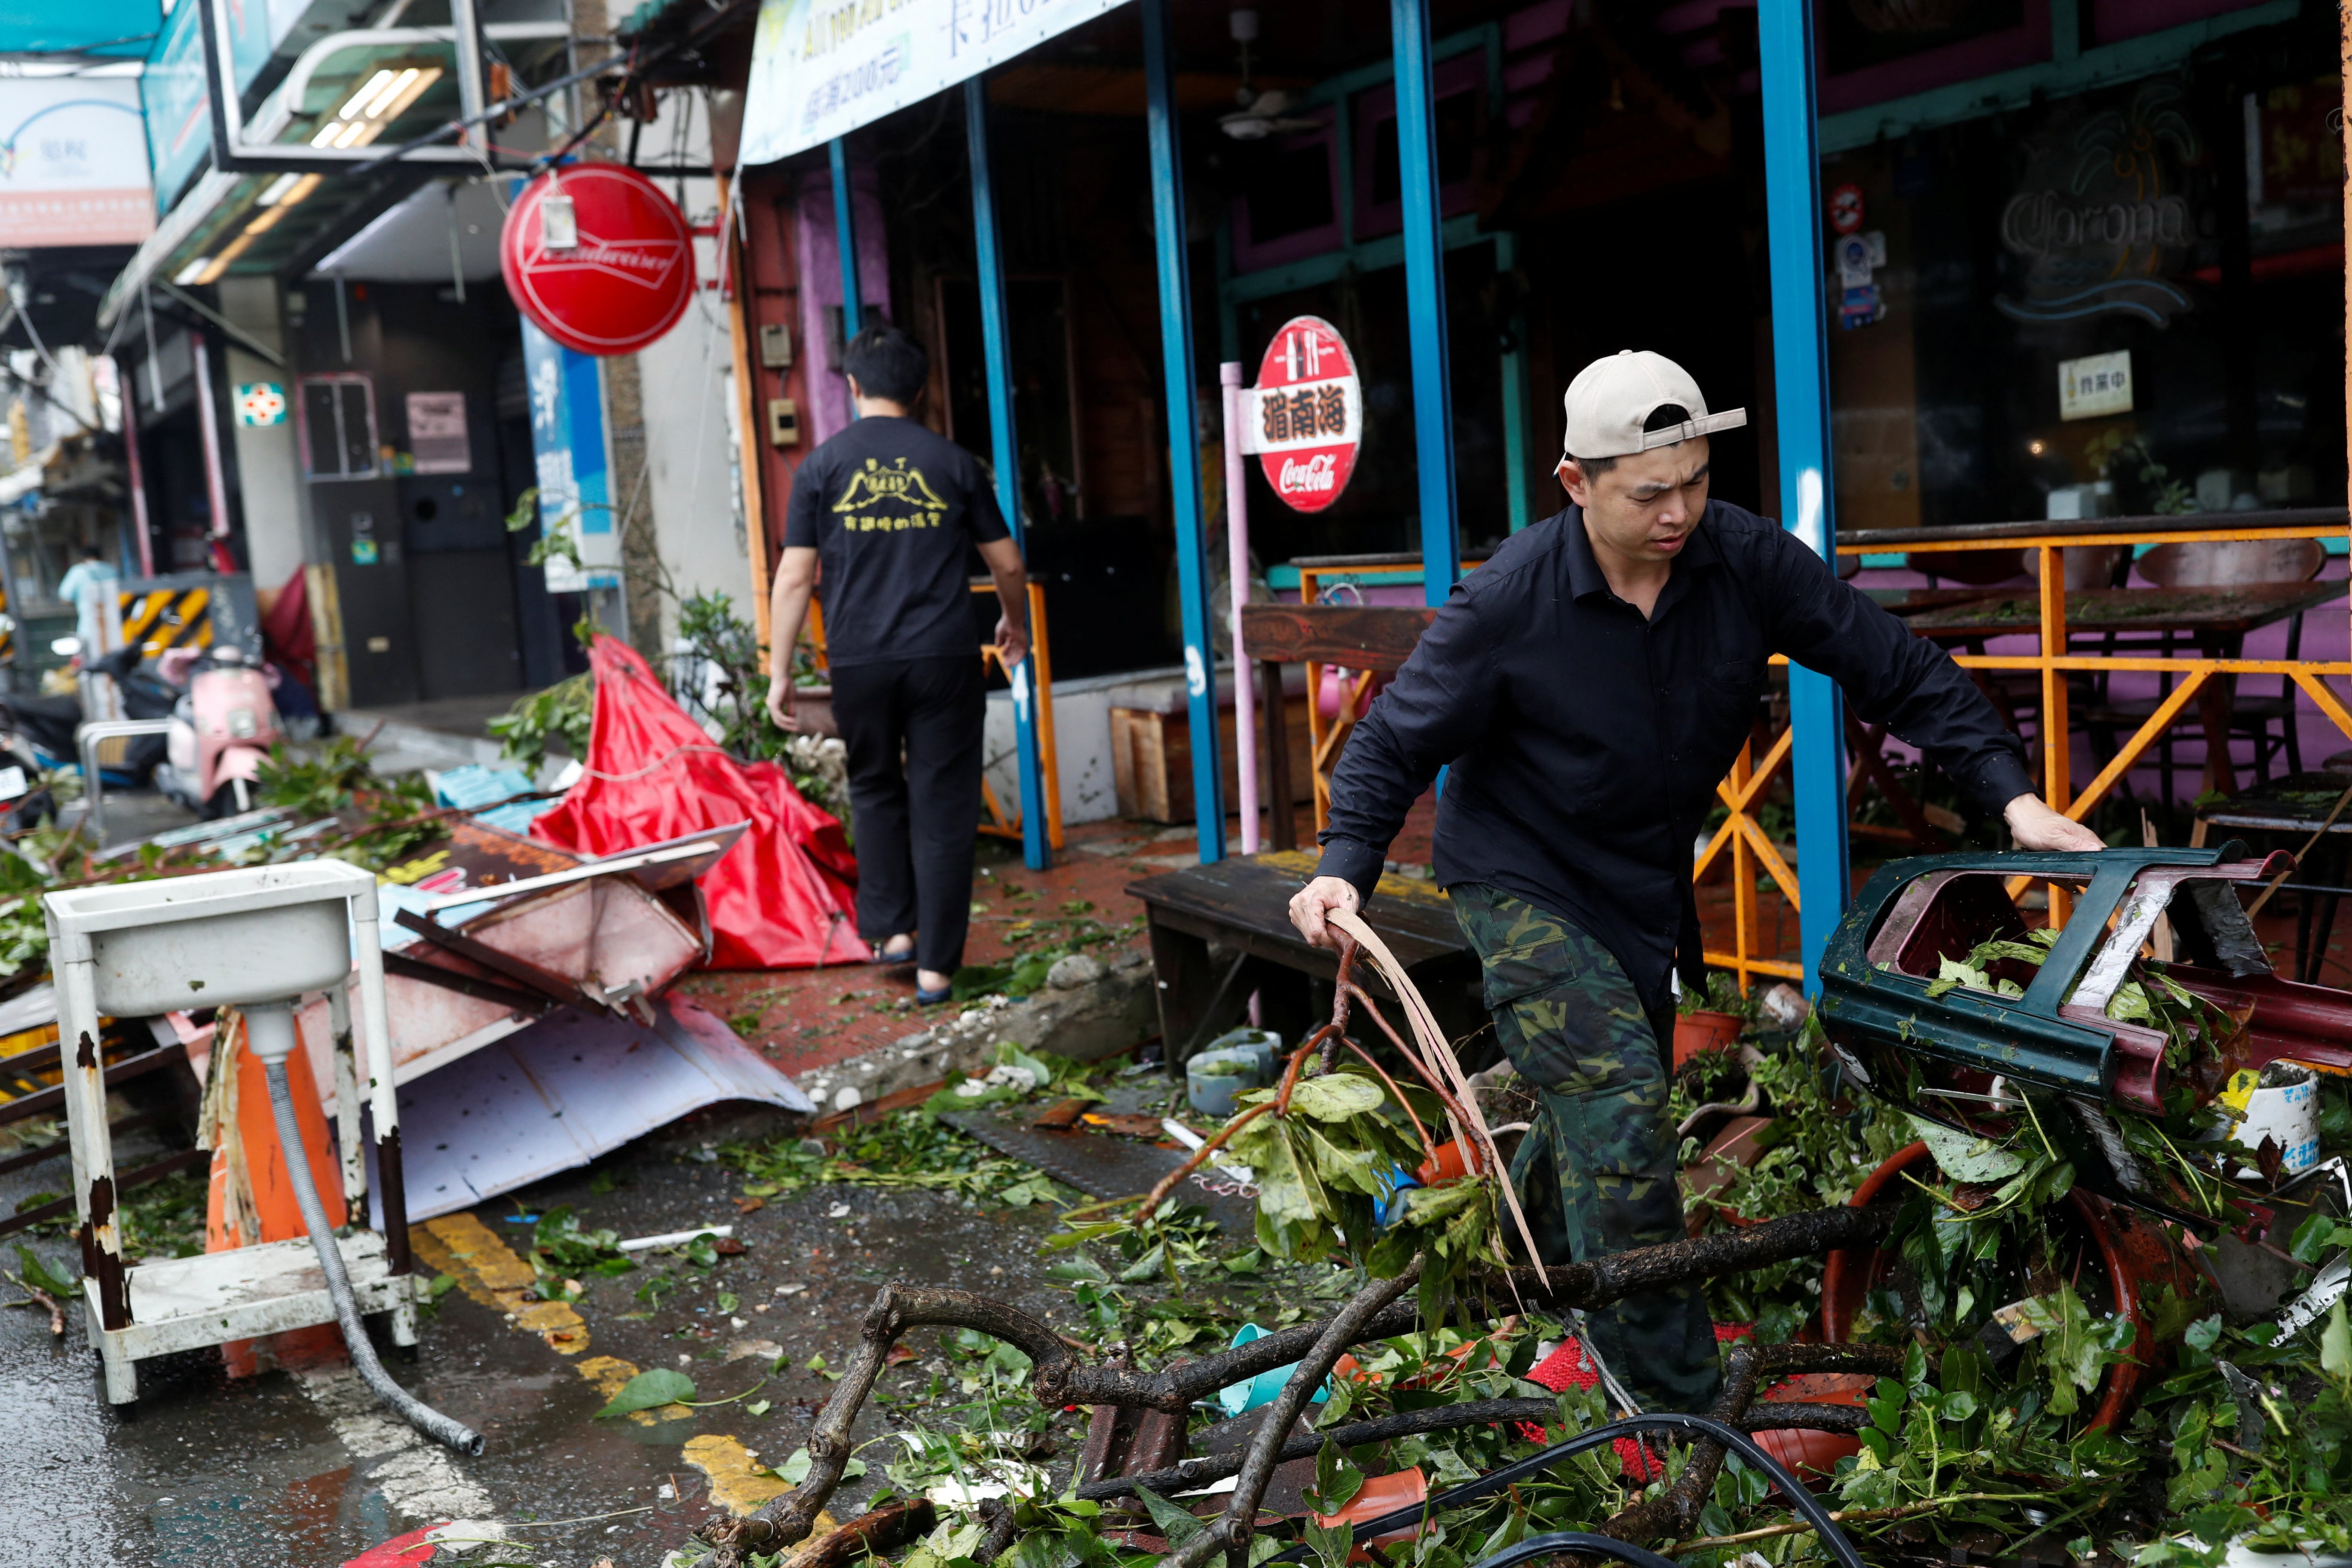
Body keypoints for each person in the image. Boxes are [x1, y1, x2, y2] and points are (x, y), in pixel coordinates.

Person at [1286, 349, 2101, 1413]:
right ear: (1575, 484)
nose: (1679, 511)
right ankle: (1674, 1411)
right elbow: (1390, 742)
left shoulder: (1744, 559)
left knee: (1602, 1103)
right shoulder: (1508, 603)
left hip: (1641, 882)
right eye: (1647, 492)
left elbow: (1892, 666)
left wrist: (2009, 798)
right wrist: (1340, 870)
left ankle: (1528, 1271)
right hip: (1521, 874)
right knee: (1620, 1106)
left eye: (1695, 480)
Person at [765, 323, 1030, 1006]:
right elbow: (1006, 562)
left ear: (852, 387)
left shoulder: (820, 467)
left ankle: (894, 933)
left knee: (876, 786)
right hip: (942, 656)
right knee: (943, 806)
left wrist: (780, 670)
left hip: (860, 659)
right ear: (920, 390)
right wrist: (1014, 622)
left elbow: (795, 579)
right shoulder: (954, 463)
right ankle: (936, 970)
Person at [57, 542, 120, 655]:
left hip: (89, 627)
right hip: (116, 625)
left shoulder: (78, 571)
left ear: (83, 558)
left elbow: (65, 598)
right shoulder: (112, 570)